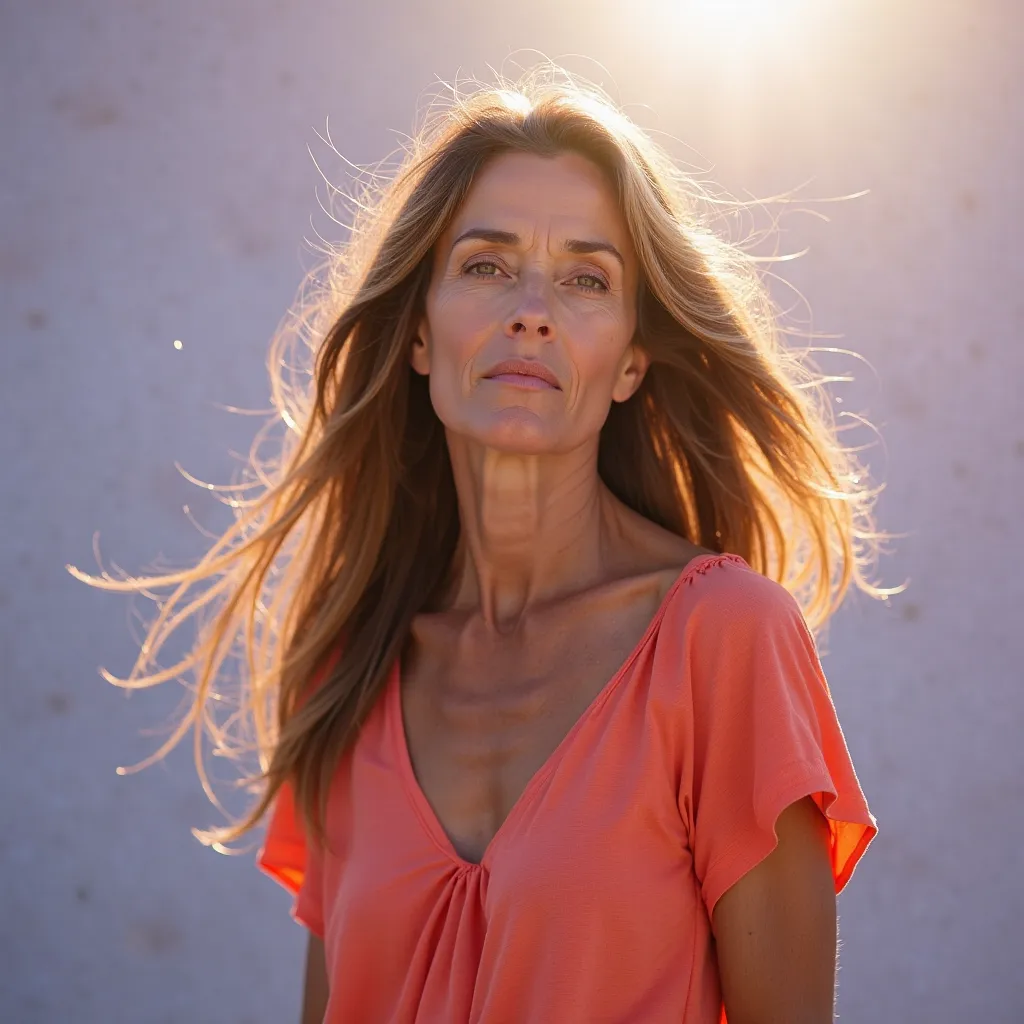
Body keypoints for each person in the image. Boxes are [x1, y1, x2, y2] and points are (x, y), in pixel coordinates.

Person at [73, 67, 884, 1023]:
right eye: (488, 265)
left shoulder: (722, 638)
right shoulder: (350, 674)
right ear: (419, 332)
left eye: (587, 277)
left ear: (630, 360)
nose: (531, 308)